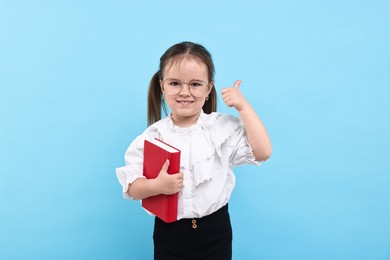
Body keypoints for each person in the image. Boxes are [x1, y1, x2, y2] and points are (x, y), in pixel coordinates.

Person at [116, 41, 272, 260]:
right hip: (169, 233)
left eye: (195, 84)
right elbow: (131, 187)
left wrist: (244, 108)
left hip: (215, 230)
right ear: (162, 87)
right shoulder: (153, 136)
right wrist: (156, 186)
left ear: (209, 89)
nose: (185, 92)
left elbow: (263, 152)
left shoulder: (221, 129)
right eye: (175, 83)